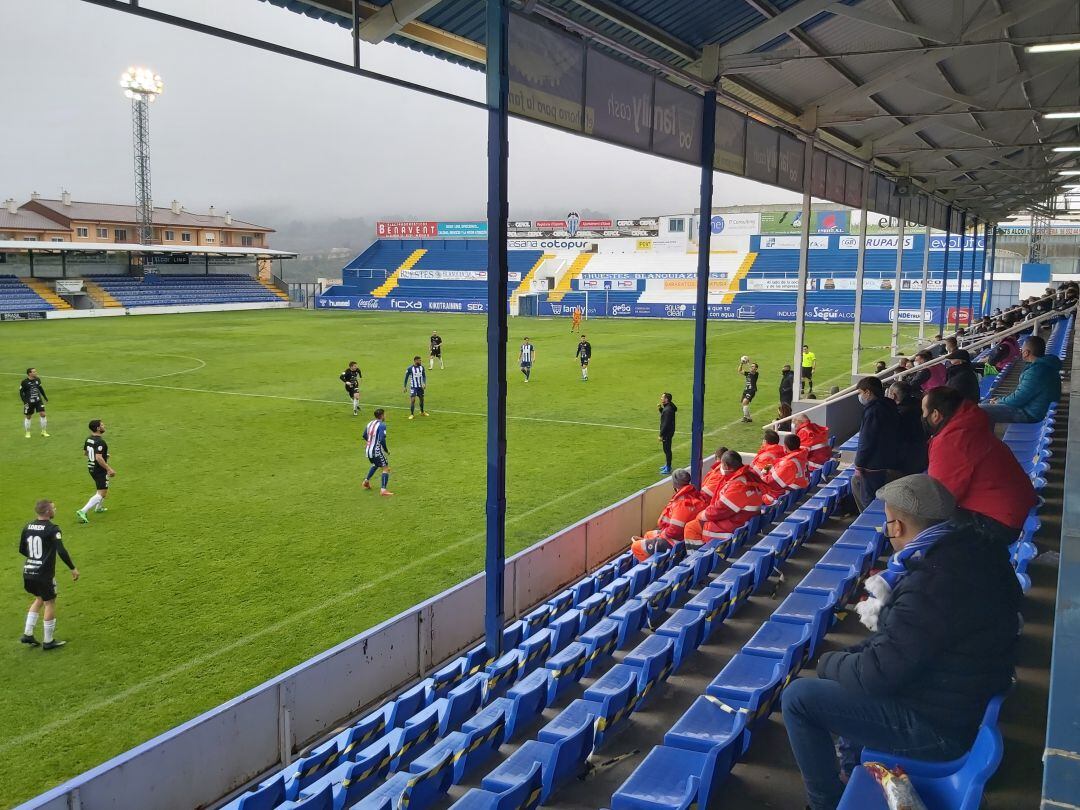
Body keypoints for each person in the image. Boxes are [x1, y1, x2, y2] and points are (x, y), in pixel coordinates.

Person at [782, 475, 1019, 810]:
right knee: (846, 674)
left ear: (898, 527)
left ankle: (825, 803)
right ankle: (848, 768)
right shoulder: (977, 553)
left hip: (940, 728)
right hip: (959, 700)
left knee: (798, 698)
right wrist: (849, 660)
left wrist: (827, 663)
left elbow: (876, 674)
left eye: (887, 525)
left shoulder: (932, 583)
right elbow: (899, 645)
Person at [924, 386, 1036, 545]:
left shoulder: (950, 441)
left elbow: (940, 498)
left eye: (923, 411)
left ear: (935, 415)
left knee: (925, 525)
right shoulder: (969, 425)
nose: (922, 416)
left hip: (1001, 523)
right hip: (1017, 508)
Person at [20, 499, 79, 650]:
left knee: (39, 598)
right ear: (47, 512)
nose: (55, 510)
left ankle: (28, 633)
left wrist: (35, 559)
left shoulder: (27, 526)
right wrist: (72, 568)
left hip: (28, 571)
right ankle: (48, 641)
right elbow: (61, 550)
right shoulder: (52, 529)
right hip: (43, 574)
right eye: (53, 508)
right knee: (49, 602)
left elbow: (22, 549)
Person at [683, 450, 764, 550]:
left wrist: (702, 515)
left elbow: (720, 510)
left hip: (733, 526)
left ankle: (698, 557)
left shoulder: (738, 485)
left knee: (691, 527)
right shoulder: (747, 477)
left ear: (725, 465)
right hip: (742, 522)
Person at [982, 335, 1062, 424]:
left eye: (1022, 349)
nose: (1021, 351)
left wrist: (999, 401)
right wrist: (999, 400)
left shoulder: (1036, 371)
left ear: (1026, 353)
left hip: (1030, 413)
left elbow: (1018, 399)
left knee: (981, 409)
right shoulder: (1043, 366)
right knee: (986, 402)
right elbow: (1021, 395)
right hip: (1034, 407)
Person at [630, 470, 707, 561]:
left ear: (674, 484)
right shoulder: (694, 495)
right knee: (648, 534)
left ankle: (651, 566)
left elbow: (675, 530)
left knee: (636, 546)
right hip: (682, 538)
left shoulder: (681, 502)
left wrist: (662, 535)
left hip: (674, 541)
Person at [853, 377, 900, 511]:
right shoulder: (889, 406)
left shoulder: (873, 411)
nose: (859, 396)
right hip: (888, 459)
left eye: (860, 392)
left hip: (874, 465)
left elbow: (867, 440)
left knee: (870, 502)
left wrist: (859, 464)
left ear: (868, 392)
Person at [76, 419, 115, 524]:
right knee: (102, 492)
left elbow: (86, 453)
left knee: (102, 488)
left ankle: (99, 508)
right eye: (102, 425)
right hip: (99, 469)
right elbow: (98, 458)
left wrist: (104, 455)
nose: (104, 426)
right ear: (98, 428)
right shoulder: (100, 442)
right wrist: (109, 469)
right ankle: (83, 511)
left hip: (91, 467)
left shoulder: (89, 439)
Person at [886, 381, 927, 475]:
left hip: (906, 460)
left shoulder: (898, 414)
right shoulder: (920, 405)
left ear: (893, 396)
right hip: (922, 454)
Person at [762, 433, 809, 503]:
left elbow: (773, 483)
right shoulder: (801, 455)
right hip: (798, 491)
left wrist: (763, 475)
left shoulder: (789, 464)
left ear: (786, 446)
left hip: (786, 495)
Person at [361, 408, 393, 496]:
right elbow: (382, 439)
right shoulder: (382, 425)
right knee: (385, 468)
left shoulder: (370, 423)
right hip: (376, 451)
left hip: (368, 450)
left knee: (375, 464)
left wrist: (370, 442)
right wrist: (386, 450)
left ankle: (366, 482)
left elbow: (364, 435)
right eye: (384, 414)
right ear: (382, 416)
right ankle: (383, 490)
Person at [20, 367, 49, 439]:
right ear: (29, 373)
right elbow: (21, 393)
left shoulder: (37, 380)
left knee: (43, 414)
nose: (36, 373)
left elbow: (40, 388)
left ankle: (44, 431)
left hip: (38, 400)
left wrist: (45, 397)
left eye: (35, 371)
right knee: (28, 416)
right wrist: (25, 402)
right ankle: (27, 432)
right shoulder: (24, 382)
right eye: (34, 372)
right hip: (29, 402)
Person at [657, 393, 677, 474]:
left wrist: (661, 435)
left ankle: (668, 467)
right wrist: (660, 409)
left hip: (667, 433)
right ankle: (667, 465)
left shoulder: (667, 410)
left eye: (662, 397)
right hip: (669, 431)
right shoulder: (669, 407)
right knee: (667, 449)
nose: (661, 398)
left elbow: (665, 423)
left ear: (666, 399)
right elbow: (665, 415)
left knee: (667, 450)